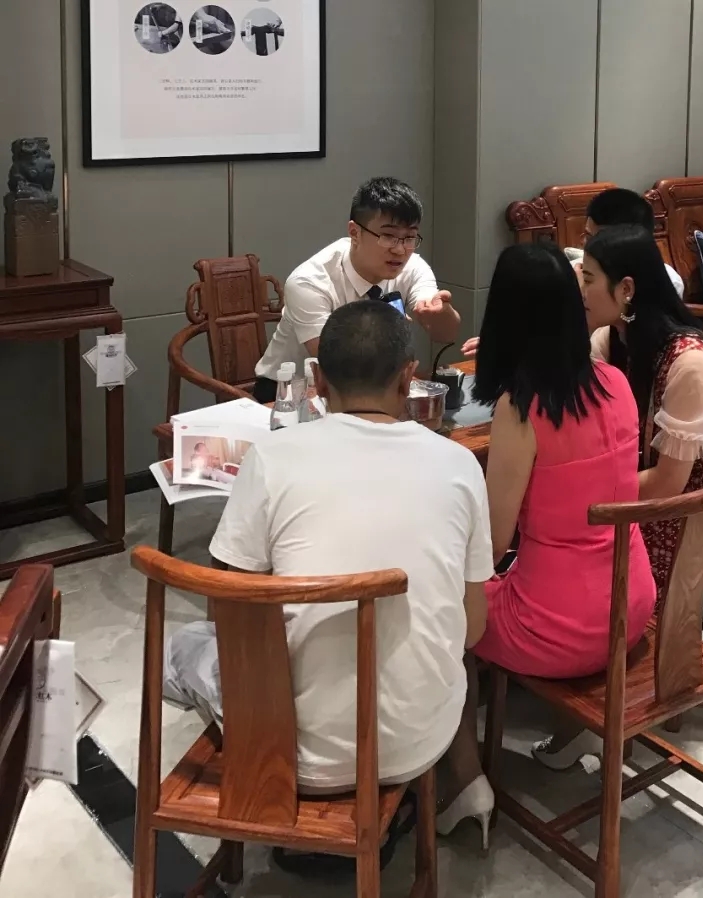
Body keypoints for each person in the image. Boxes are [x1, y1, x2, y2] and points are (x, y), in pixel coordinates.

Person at [164, 300, 493, 805]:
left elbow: (230, 618)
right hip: (422, 743)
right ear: (408, 378)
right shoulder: (460, 464)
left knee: (188, 642)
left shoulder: (270, 458)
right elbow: (472, 630)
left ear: (317, 381)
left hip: (288, 753)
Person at [436, 243, 656, 848]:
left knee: (448, 618)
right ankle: (569, 731)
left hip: (559, 626)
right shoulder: (615, 382)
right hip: (631, 604)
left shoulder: (521, 408)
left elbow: (490, 544)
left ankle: (463, 781)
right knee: (504, 586)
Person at [582, 224, 703, 590]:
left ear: (626, 289)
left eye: (589, 280)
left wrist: (587, 496)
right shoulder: (615, 338)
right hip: (662, 506)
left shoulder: (689, 363)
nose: (582, 291)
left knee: (580, 553)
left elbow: (666, 483)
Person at [253, 177, 460, 402]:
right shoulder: (309, 281)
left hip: (373, 389)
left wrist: (441, 313)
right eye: (388, 236)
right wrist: (385, 332)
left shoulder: (412, 267)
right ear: (354, 232)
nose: (400, 250)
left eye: (409, 237)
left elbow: (445, 334)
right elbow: (336, 366)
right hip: (287, 392)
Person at [460, 187, 682, 359]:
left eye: (595, 239)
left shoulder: (661, 282)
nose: (586, 245)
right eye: (586, 235)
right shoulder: (570, 270)